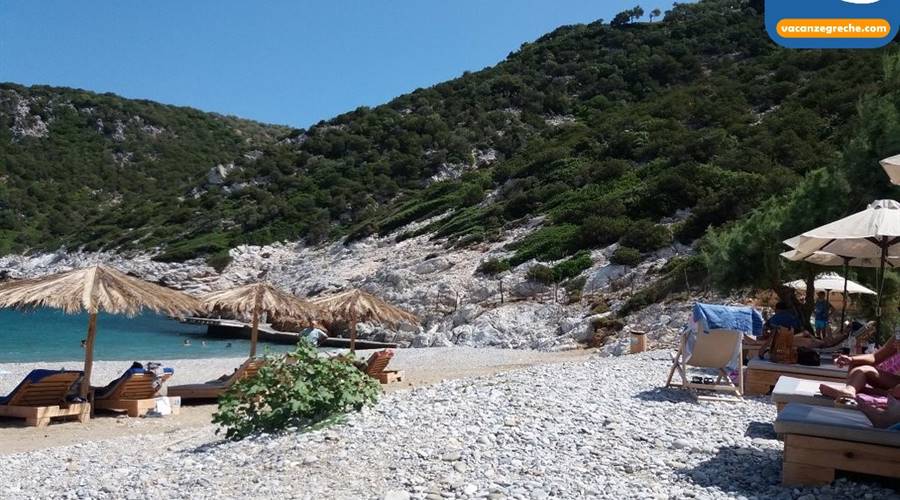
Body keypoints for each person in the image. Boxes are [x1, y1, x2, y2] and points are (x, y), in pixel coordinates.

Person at [819, 335, 900, 402]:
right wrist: (851, 359)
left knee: (864, 370)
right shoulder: (898, 335)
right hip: (894, 381)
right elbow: (874, 357)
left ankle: (850, 392)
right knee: (856, 364)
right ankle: (852, 390)